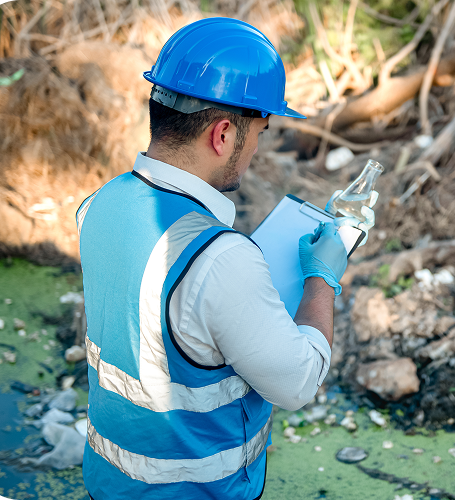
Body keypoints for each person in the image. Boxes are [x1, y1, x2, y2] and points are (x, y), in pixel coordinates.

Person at [77, 18, 358, 499]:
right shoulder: (223, 259)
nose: (254, 149)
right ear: (223, 134)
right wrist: (321, 279)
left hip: (108, 482)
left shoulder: (99, 204)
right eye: (259, 133)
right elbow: (297, 382)